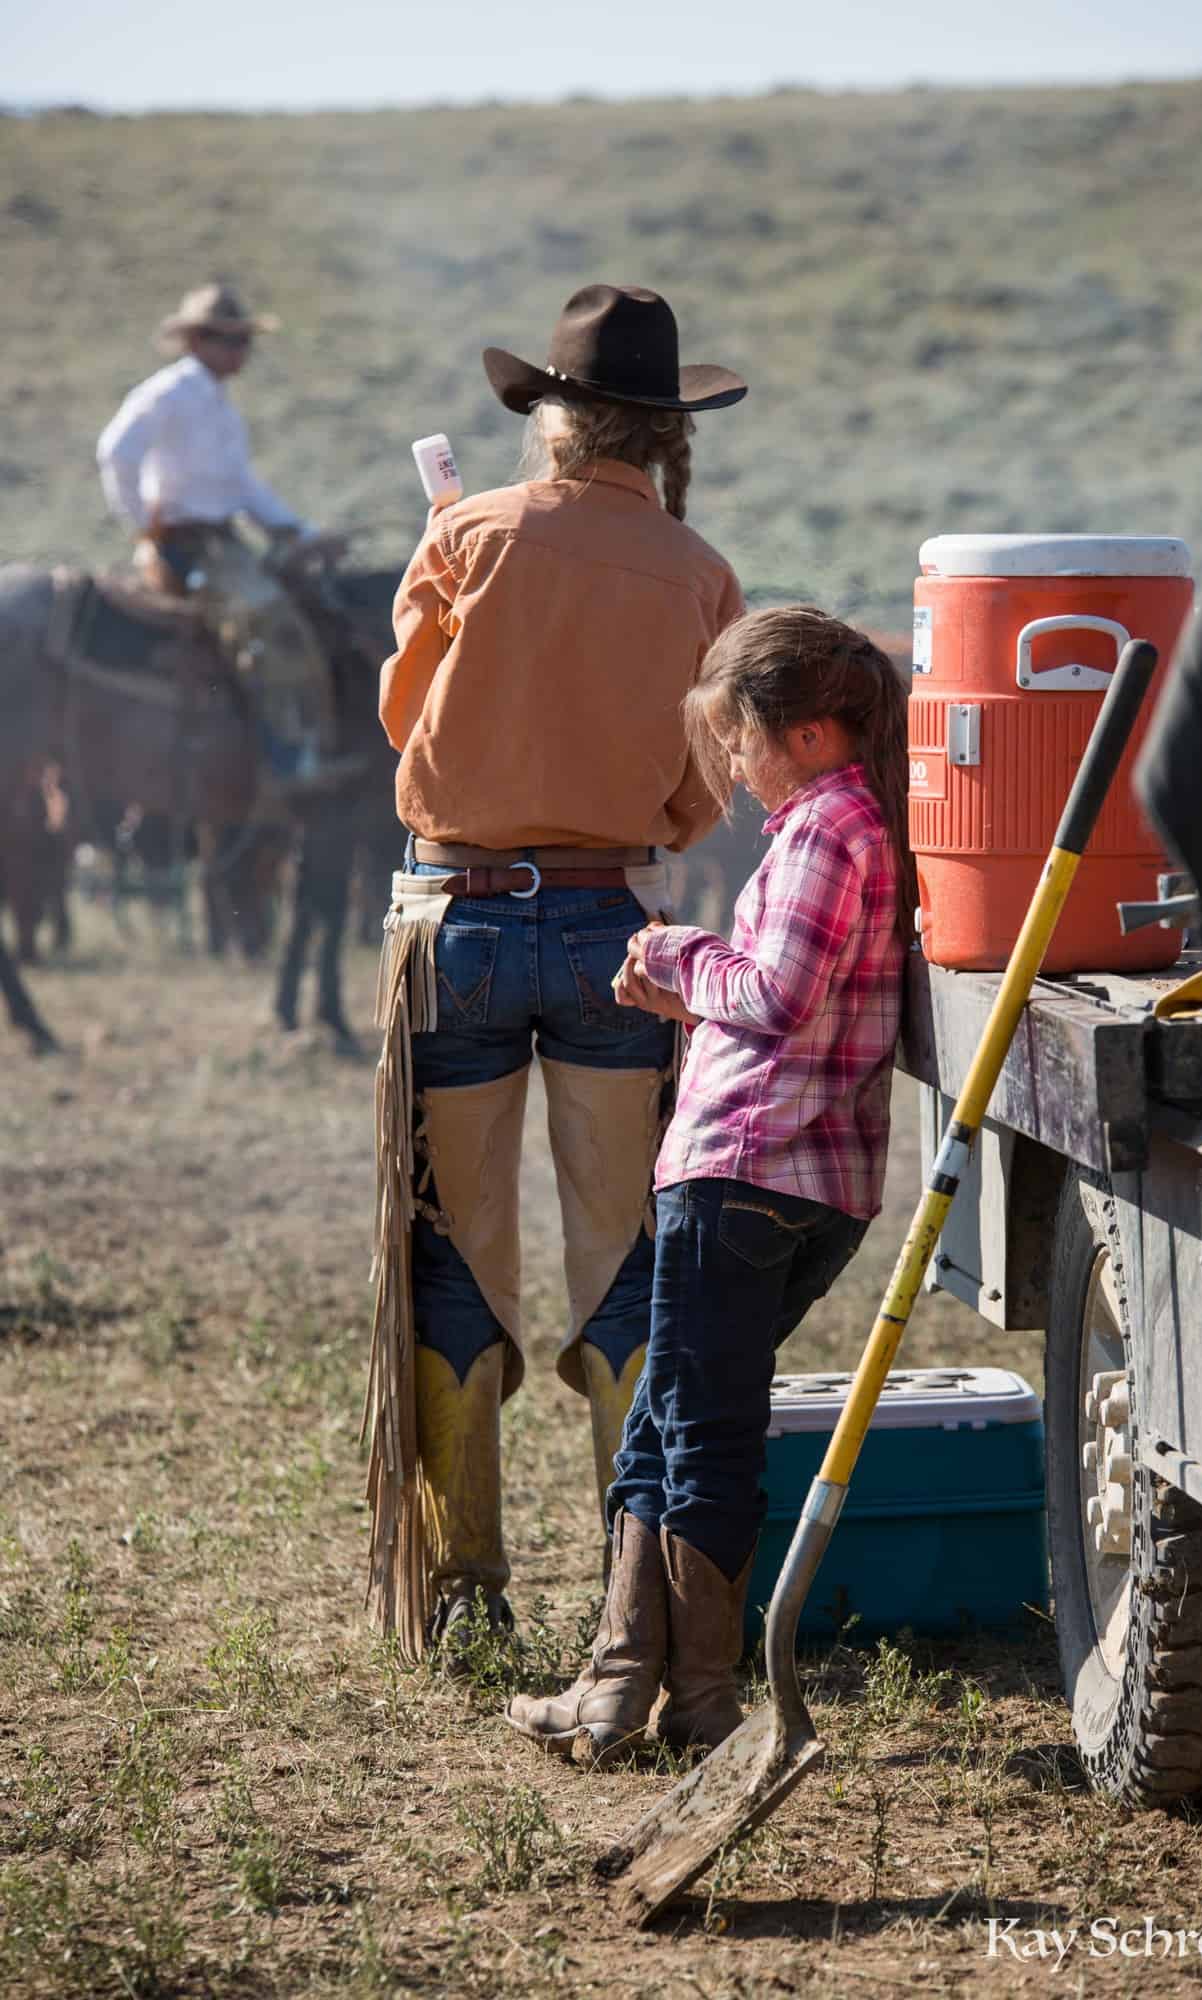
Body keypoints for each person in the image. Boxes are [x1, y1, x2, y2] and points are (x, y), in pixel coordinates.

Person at [366, 283, 747, 1663]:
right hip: (615, 938)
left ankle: (467, 1586)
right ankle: (628, 1587)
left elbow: (401, 724)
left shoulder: (465, 535)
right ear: (660, 434)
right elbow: (711, 779)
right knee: (626, 1259)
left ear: (551, 421)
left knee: (454, 1246)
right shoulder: (698, 573)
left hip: (457, 926)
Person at [507, 606, 912, 1763]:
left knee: (699, 1423)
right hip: (799, 1174)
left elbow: (776, 996)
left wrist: (674, 952)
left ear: (810, 730)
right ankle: (614, 1682)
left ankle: (696, 1698)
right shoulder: (850, 821)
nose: (730, 762)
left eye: (738, 736)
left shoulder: (825, 829)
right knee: (669, 1407)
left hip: (745, 1167)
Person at [96, 282, 341, 782]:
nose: (240, 351)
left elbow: (241, 485)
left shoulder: (215, 403)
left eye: (242, 340)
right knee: (265, 617)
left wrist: (297, 530)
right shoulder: (170, 393)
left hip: (220, 542)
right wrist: (145, 528)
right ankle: (288, 757)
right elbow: (115, 452)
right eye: (228, 340)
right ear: (197, 341)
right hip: (186, 545)